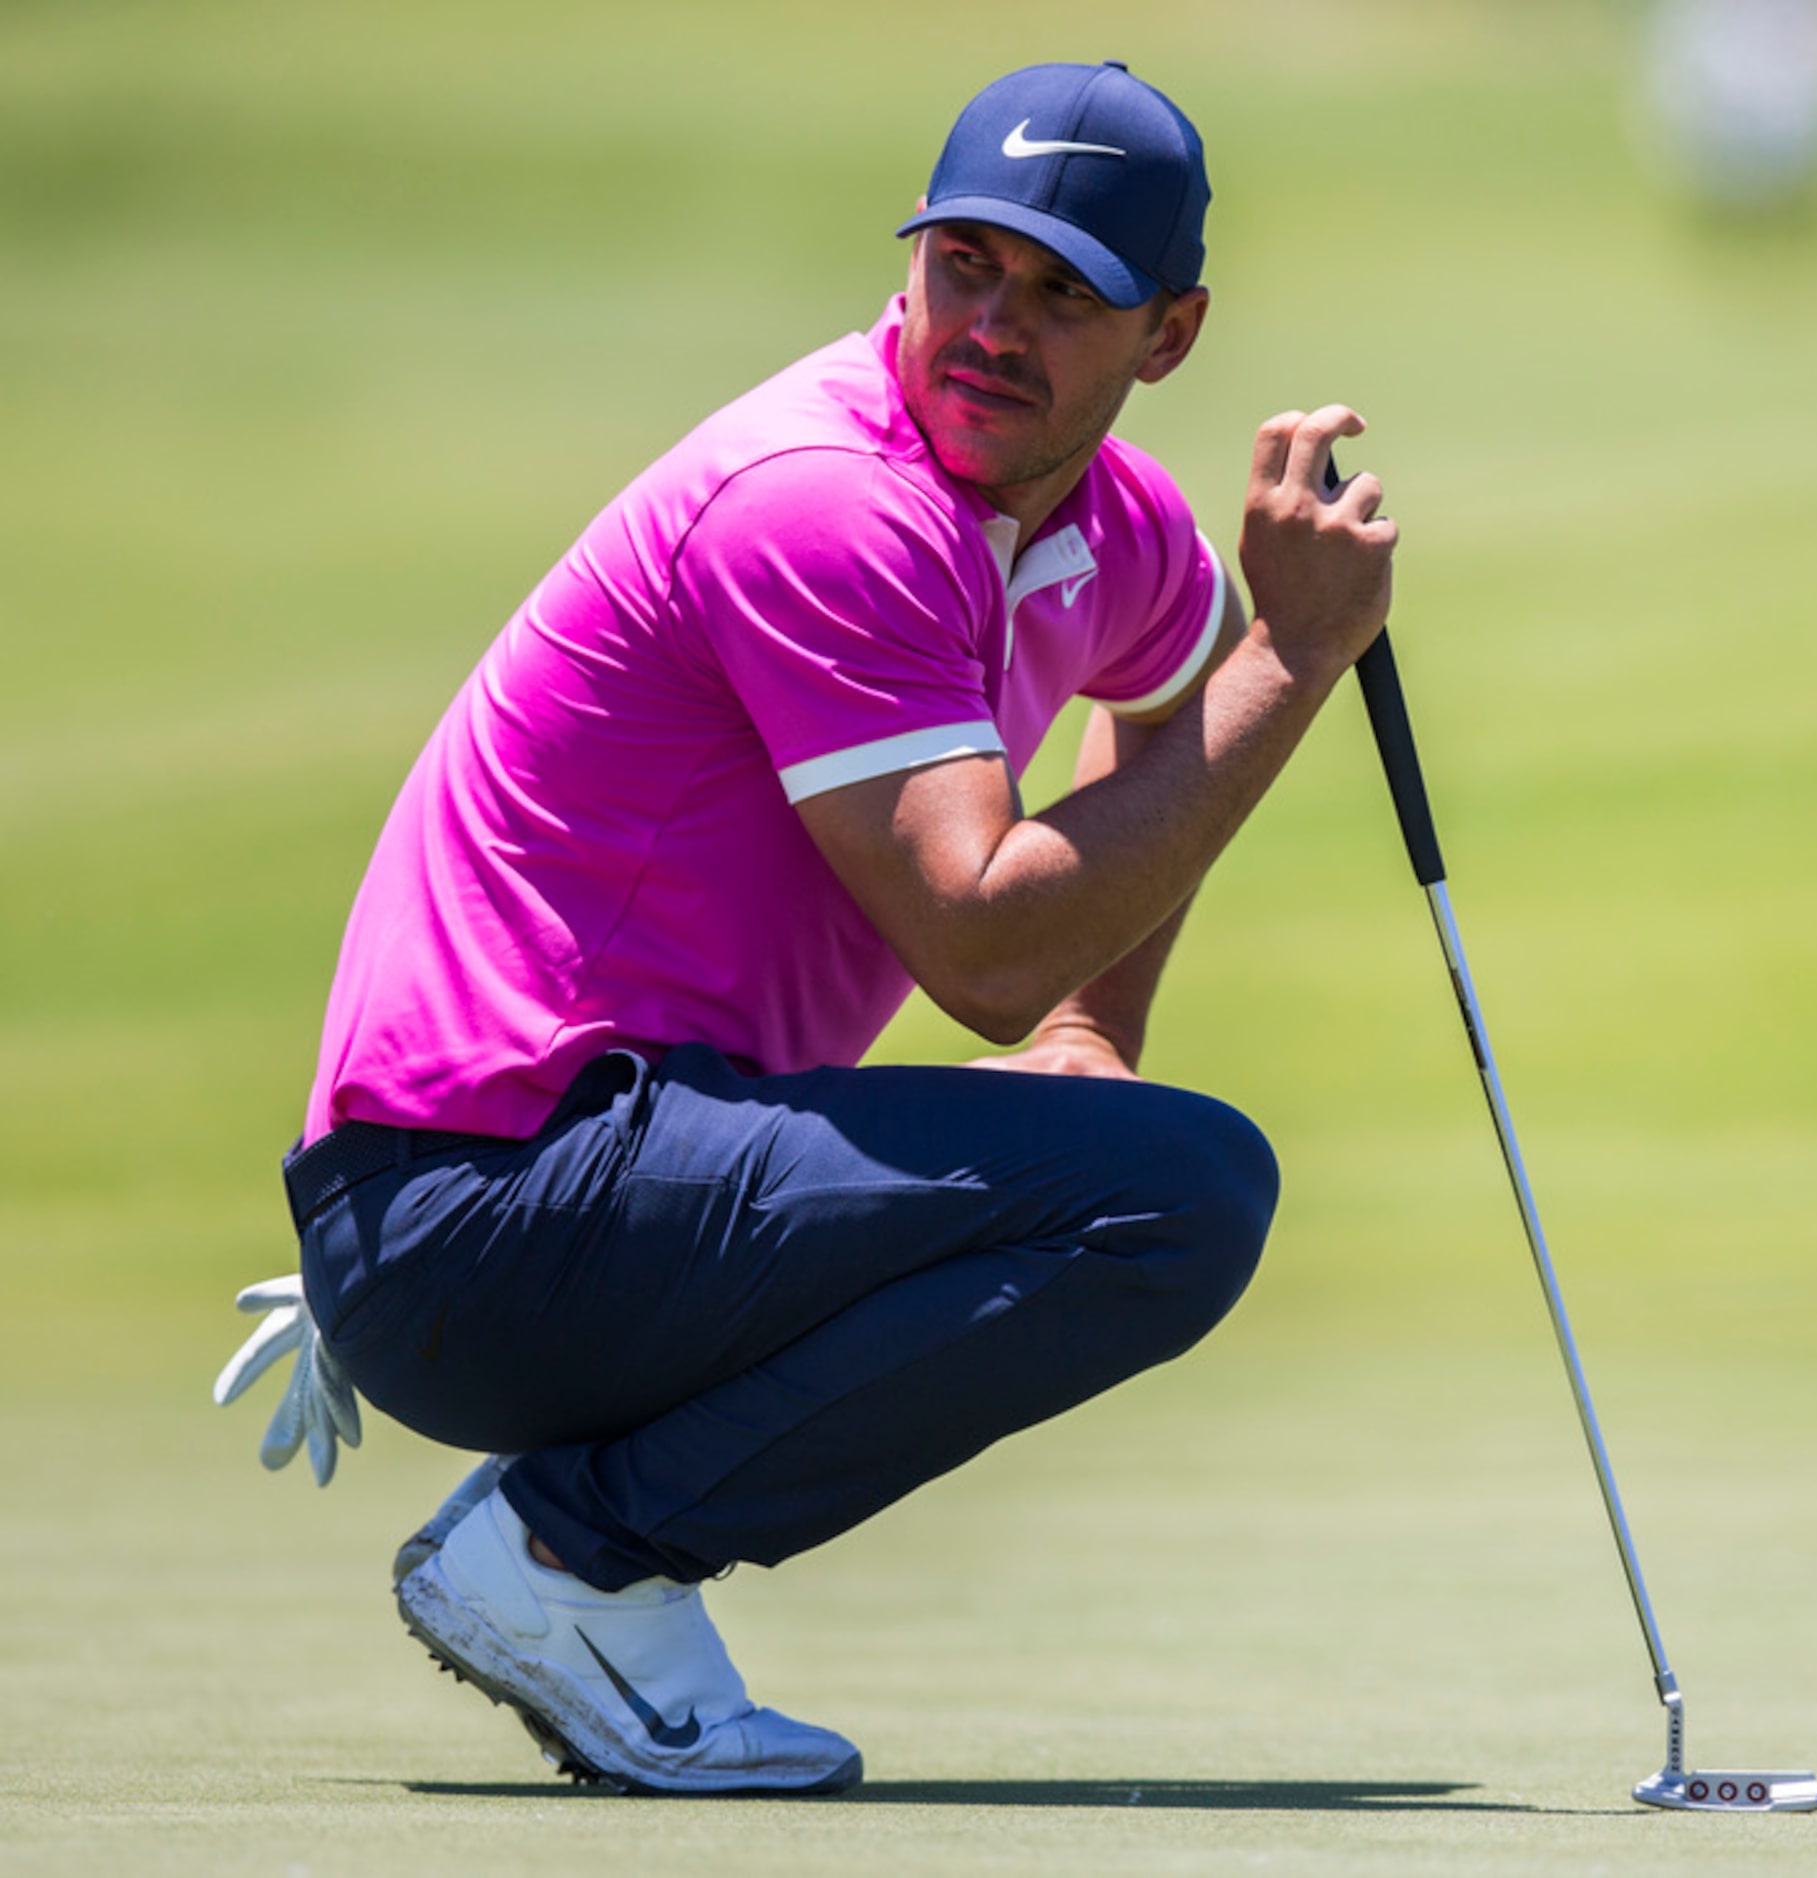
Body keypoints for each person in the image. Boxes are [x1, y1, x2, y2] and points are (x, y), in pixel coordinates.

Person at [217, 60, 1397, 1797]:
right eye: (966, 266)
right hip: (483, 1190)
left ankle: (571, 1543)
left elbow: (1156, 716)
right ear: (909, 259)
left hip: (582, 1165)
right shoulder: (825, 502)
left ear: (1170, 336)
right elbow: (987, 954)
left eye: (1064, 292)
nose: (994, 325)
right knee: (1177, 1193)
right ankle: (566, 1558)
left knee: (1146, 1152)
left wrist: (1103, 1031)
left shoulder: (1109, 528)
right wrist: (1292, 661)